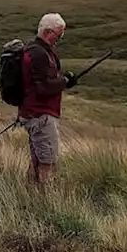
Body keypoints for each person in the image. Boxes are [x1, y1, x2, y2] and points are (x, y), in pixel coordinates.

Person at [17, 12, 76, 186]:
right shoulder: (39, 54)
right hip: (41, 115)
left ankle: (28, 197)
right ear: (48, 32)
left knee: (37, 160)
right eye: (59, 35)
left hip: (33, 113)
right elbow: (43, 87)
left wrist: (62, 81)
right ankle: (48, 205)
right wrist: (65, 81)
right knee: (47, 164)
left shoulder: (34, 50)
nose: (59, 39)